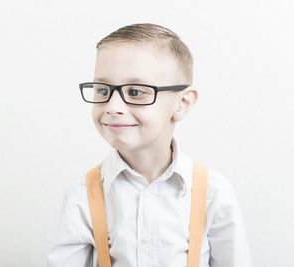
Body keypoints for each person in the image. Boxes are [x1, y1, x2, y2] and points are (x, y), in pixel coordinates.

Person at [47, 23, 254, 267]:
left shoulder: (215, 194)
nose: (113, 106)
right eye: (103, 90)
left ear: (183, 103)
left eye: (135, 92)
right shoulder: (82, 197)